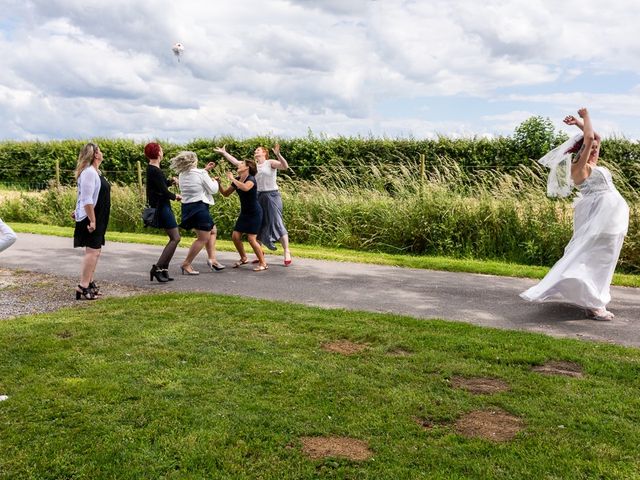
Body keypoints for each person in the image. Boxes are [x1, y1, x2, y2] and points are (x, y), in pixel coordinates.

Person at [520, 108, 630, 321]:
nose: (596, 149)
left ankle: (593, 300)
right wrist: (585, 116)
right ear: (583, 150)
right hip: (603, 215)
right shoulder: (578, 168)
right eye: (592, 148)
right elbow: (590, 138)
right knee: (597, 255)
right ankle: (595, 304)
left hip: (612, 214)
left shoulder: (590, 164)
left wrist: (578, 124)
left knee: (606, 256)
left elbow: (594, 137)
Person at [214, 144, 292, 266]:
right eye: (255, 150)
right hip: (258, 195)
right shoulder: (251, 166)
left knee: (276, 221)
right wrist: (224, 153)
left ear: (265, 153)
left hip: (271, 195)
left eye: (258, 150)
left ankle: (286, 251)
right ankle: (260, 252)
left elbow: (285, 166)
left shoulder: (269, 163)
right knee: (259, 224)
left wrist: (278, 154)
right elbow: (236, 162)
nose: (256, 151)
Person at [170, 151, 225, 275]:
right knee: (203, 238)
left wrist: (205, 170)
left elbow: (196, 176)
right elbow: (213, 189)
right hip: (199, 207)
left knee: (213, 230)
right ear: (194, 161)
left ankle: (213, 259)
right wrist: (215, 181)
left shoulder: (182, 174)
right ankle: (186, 263)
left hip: (188, 208)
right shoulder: (201, 173)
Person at [73, 142, 111, 300]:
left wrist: (76, 210)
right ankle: (82, 286)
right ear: (95, 154)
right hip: (92, 216)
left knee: (96, 251)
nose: (102, 153)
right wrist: (92, 220)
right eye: (100, 151)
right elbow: (87, 199)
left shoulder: (96, 172)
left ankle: (90, 282)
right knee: (92, 251)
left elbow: (86, 195)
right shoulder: (89, 172)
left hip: (98, 215)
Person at [217, 159, 267, 271]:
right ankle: (244, 258)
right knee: (235, 236)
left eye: (241, 164)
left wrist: (232, 178)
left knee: (251, 239)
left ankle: (263, 263)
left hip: (255, 213)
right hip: (245, 213)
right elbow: (225, 193)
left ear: (247, 167)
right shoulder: (238, 179)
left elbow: (245, 188)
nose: (239, 165)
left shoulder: (251, 179)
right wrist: (219, 184)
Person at [145, 142, 183, 282]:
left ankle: (163, 270)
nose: (162, 151)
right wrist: (176, 197)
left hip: (163, 205)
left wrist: (170, 181)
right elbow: (163, 191)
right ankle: (157, 268)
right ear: (158, 153)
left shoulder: (153, 169)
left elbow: (159, 186)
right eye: (161, 149)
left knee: (174, 238)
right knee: (175, 238)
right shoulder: (154, 170)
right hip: (162, 207)